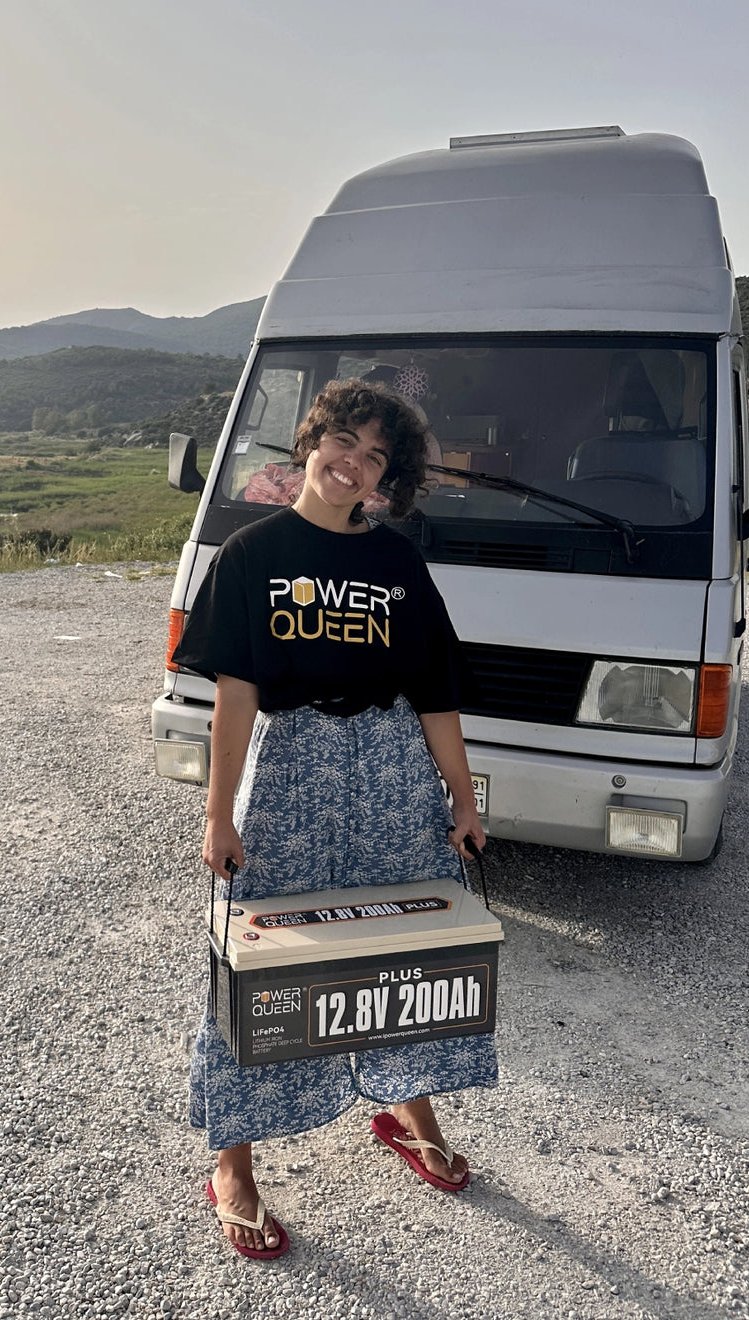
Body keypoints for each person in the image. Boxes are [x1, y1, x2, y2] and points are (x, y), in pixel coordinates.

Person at [172, 378, 496, 1259]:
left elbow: (434, 697)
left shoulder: (398, 563)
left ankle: (404, 1105)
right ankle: (231, 1165)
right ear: (308, 442)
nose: (353, 464)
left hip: (391, 768)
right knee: (260, 958)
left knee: (400, 950)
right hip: (290, 770)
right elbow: (235, 699)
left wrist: (462, 800)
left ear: (388, 481)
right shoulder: (251, 553)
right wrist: (218, 815)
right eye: (342, 442)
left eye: (376, 458)